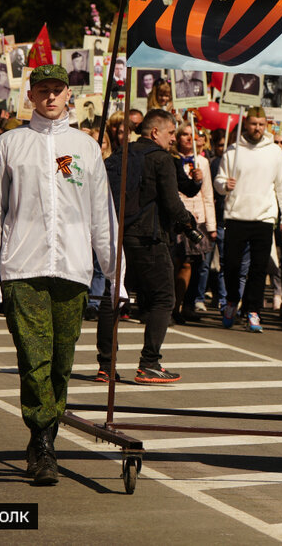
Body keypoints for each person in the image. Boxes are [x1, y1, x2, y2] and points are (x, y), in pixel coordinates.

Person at [0, 64, 120, 486]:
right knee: (33, 356)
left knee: (61, 361)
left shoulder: (86, 147)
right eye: (43, 91)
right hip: (24, 267)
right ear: (31, 97)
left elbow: (101, 217)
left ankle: (45, 434)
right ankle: (42, 441)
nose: (51, 97)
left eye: (58, 90)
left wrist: (115, 274)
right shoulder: (10, 143)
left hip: (73, 269)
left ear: (68, 95)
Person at [97, 109, 199, 384]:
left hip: (119, 235)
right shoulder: (161, 158)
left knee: (115, 297)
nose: (173, 138)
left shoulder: (122, 153)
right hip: (149, 238)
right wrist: (188, 223)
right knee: (165, 298)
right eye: (170, 133)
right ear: (155, 132)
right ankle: (149, 364)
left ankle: (106, 365)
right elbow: (171, 202)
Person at [213, 107, 282, 331]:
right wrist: (223, 185)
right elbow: (219, 182)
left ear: (266, 125)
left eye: (261, 124)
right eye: (253, 124)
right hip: (236, 215)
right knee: (231, 265)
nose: (257, 128)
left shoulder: (275, 153)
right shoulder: (233, 151)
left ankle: (252, 310)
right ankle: (231, 301)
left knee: (259, 268)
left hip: (264, 217)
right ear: (246, 124)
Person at [171, 124, 216, 325]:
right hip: (177, 214)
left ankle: (180, 305)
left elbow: (207, 194)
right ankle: (169, 302)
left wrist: (211, 225)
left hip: (197, 217)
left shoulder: (202, 162)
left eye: (192, 135)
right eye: (185, 135)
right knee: (174, 262)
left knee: (190, 262)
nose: (189, 138)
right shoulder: (172, 159)